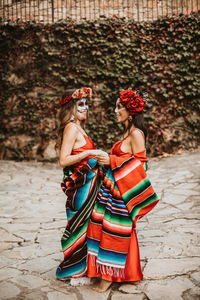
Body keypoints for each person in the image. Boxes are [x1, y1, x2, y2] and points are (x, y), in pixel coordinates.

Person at [86, 89, 160, 292]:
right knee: (104, 227)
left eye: (120, 107)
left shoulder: (136, 134)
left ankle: (108, 278)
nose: (115, 110)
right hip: (111, 190)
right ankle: (128, 273)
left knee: (114, 231)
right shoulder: (127, 132)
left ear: (131, 110)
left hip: (121, 193)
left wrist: (111, 160)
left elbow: (141, 167)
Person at [56, 87, 103, 284]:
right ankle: (73, 270)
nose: (85, 108)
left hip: (88, 186)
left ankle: (83, 267)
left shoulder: (78, 127)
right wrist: (90, 154)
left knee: (86, 227)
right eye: (80, 104)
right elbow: (63, 160)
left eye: (86, 104)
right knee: (79, 227)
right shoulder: (71, 128)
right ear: (71, 107)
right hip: (80, 189)